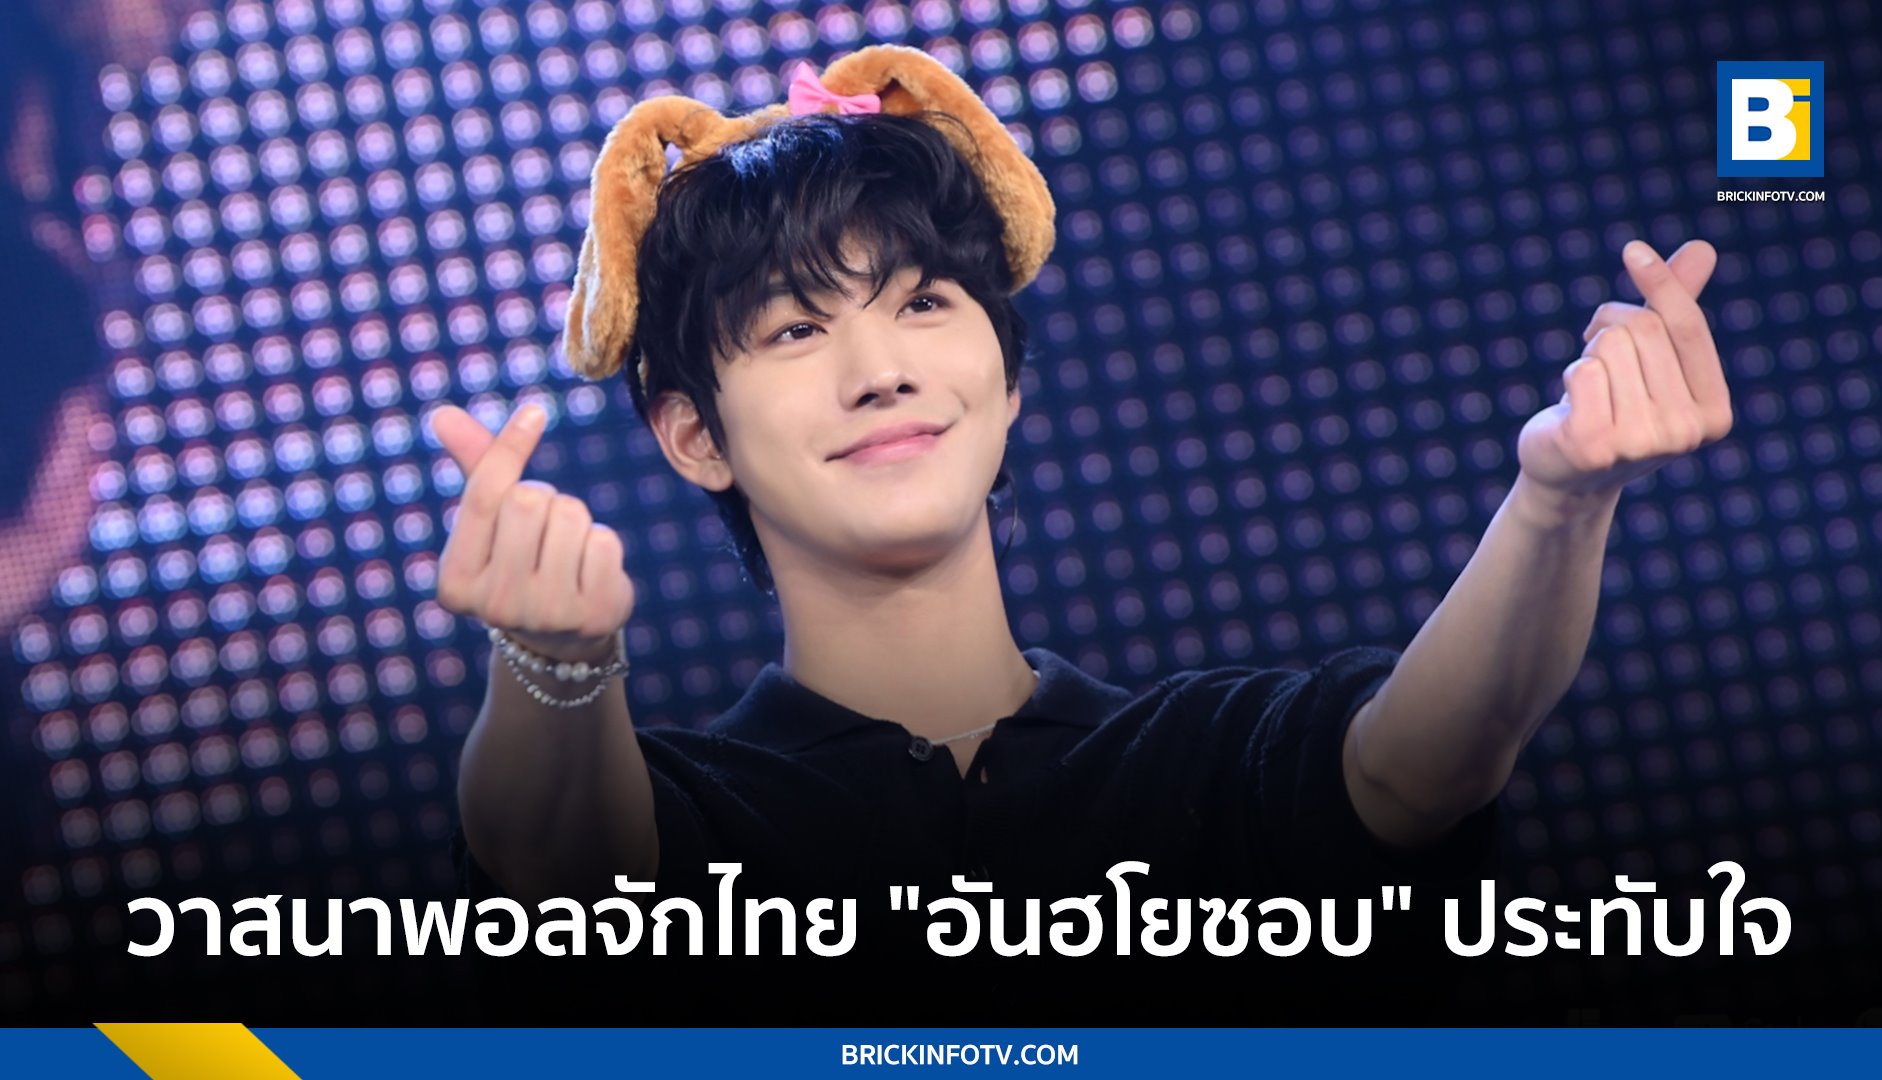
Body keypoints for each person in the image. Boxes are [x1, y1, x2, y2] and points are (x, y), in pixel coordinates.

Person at [432, 45, 1734, 1023]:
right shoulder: (694, 821)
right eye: (797, 328)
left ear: (1007, 377)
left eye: (924, 303)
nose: (882, 372)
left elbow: (1428, 760)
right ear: (691, 435)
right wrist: (555, 661)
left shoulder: (1212, 763)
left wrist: (1561, 498)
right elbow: (556, 865)